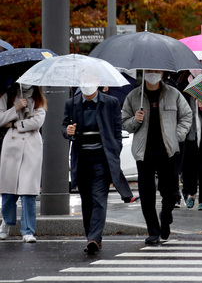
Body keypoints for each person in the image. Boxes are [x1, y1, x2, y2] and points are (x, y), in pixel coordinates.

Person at [121, 70, 192, 245]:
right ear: (144, 73)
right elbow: (124, 122)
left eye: (156, 71)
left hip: (167, 151)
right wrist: (135, 120)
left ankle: (166, 215)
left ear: (161, 73)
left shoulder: (173, 93)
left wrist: (177, 135)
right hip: (143, 152)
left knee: (170, 193)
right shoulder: (133, 96)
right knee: (146, 194)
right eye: (149, 71)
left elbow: (186, 116)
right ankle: (153, 231)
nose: (153, 73)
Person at [62, 82, 124, 254]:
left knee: (99, 199)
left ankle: (94, 239)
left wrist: (115, 149)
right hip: (82, 159)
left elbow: (117, 129)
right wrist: (68, 130)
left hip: (102, 159)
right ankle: (92, 234)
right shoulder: (72, 103)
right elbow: (64, 126)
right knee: (87, 200)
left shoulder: (110, 102)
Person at [0, 83, 46, 243]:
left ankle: (28, 231)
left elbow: (38, 121)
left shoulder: (38, 98)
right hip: (11, 147)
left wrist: (15, 124)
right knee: (7, 190)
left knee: (28, 192)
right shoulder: (7, 96)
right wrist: (16, 108)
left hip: (31, 147)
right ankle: (7, 222)